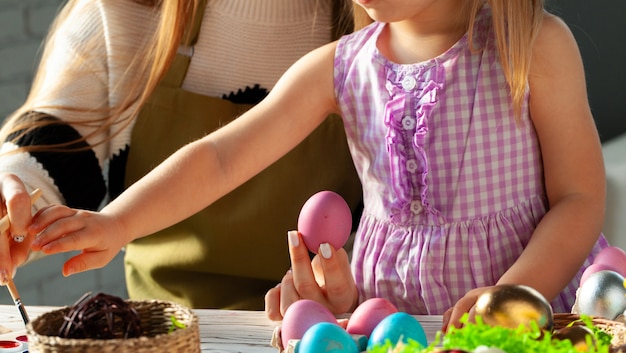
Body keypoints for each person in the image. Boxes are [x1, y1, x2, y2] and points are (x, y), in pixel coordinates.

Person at [27, 0, 608, 331]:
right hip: (391, 329)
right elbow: (222, 157)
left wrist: (509, 300)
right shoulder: (341, 67)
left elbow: (579, 197)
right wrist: (118, 224)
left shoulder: (530, 45)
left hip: (524, 317)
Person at [0, 0, 362, 309]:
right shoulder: (126, 10)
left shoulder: (385, 28)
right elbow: (52, 142)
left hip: (334, 339)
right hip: (166, 338)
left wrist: (355, 296)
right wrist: (12, 202)